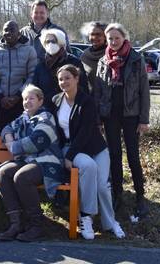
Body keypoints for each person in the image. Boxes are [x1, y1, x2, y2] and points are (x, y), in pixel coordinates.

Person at [53, 64, 125, 240]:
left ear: (77, 79)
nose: (64, 82)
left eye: (68, 78)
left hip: (95, 147)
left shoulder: (87, 101)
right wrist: (67, 154)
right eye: (61, 79)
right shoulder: (55, 100)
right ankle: (86, 217)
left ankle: (111, 222)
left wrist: (69, 157)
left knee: (102, 186)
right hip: (72, 148)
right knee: (89, 167)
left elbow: (86, 131)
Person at [95, 23, 150, 217]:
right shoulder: (103, 61)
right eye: (110, 38)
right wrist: (98, 118)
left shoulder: (136, 59)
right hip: (110, 116)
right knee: (114, 156)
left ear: (124, 38)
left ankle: (140, 197)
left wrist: (144, 119)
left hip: (131, 116)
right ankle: (117, 194)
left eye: (117, 37)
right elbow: (99, 91)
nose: (113, 41)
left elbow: (144, 91)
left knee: (133, 157)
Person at [0, 85, 63, 242]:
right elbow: (6, 128)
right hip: (26, 160)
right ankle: (16, 224)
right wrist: (9, 139)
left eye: (31, 98)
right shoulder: (22, 119)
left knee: (22, 177)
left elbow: (37, 141)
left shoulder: (46, 117)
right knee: (4, 173)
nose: (27, 101)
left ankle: (36, 226)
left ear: (40, 101)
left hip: (47, 160)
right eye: (25, 99)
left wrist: (15, 147)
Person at [0, 20, 37, 135]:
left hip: (22, 103)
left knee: (21, 137)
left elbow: (32, 76)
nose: (8, 32)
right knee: (0, 141)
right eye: (5, 30)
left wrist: (19, 96)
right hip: (0, 104)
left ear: (19, 33)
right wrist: (0, 97)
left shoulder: (29, 50)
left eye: (12, 30)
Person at [33, 28, 88, 112]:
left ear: (61, 42)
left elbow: (83, 86)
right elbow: (35, 89)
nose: (50, 44)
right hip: (47, 110)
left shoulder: (74, 62)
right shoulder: (41, 65)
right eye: (47, 42)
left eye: (54, 41)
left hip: (71, 109)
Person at [80, 21, 108, 94]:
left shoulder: (112, 54)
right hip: (90, 100)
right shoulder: (84, 56)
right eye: (92, 34)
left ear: (105, 36)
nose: (95, 37)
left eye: (98, 34)